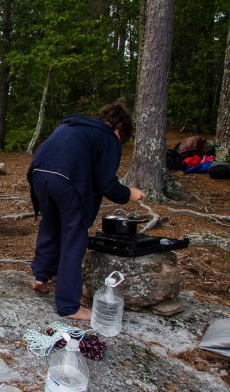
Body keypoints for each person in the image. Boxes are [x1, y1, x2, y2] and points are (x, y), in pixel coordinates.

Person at [26, 103, 146, 320]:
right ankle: (69, 306)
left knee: (51, 225)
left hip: (39, 174)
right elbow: (106, 183)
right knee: (74, 238)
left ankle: (41, 277)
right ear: (119, 129)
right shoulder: (108, 137)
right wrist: (129, 194)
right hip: (65, 180)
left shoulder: (72, 126)